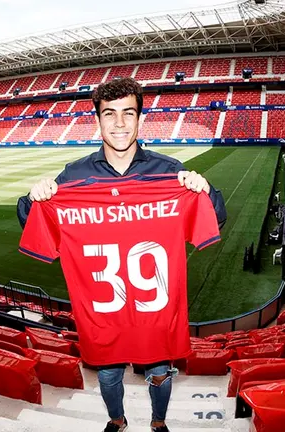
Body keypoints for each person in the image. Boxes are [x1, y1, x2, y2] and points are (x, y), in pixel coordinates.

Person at [16, 77, 227, 432]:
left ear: (140, 119)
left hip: (155, 313)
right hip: (105, 315)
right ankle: (118, 420)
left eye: (128, 113)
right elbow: (33, 218)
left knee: (160, 373)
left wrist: (205, 190)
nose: (119, 123)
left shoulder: (169, 172)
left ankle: (158, 422)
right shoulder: (74, 176)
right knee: (108, 376)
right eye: (109, 114)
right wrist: (34, 196)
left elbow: (214, 216)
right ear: (97, 121)